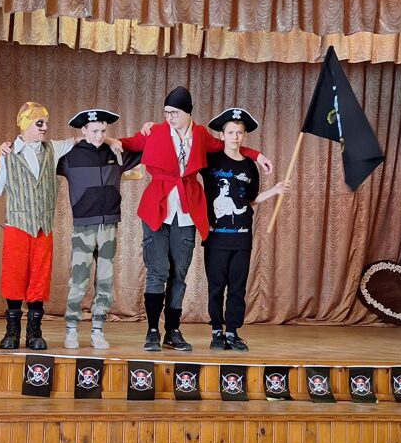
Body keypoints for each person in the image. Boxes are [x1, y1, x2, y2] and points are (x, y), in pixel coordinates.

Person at [119, 86, 273, 352]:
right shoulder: (155, 132)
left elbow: (228, 146)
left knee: (179, 274)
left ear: (187, 112)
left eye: (174, 112)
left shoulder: (201, 135)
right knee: (158, 271)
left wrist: (257, 155)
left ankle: (173, 331)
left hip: (187, 211)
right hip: (156, 209)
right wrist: (108, 141)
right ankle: (153, 330)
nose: (169, 117)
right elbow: (127, 144)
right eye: (166, 112)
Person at [0, 102, 73, 351]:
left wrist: (106, 138)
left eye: (46, 123)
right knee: (14, 277)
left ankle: (35, 333)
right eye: (39, 123)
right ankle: (12, 332)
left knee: (39, 279)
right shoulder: (8, 154)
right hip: (16, 227)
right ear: (25, 124)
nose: (45, 127)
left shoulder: (53, 149)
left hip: (43, 228)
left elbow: (78, 141)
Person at [202, 108, 288, 351]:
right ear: (222, 135)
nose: (235, 137)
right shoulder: (210, 161)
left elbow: (250, 200)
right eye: (230, 132)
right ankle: (216, 331)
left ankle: (232, 332)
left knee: (237, 287)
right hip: (216, 237)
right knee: (216, 286)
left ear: (244, 136)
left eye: (239, 132)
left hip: (241, 238)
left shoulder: (250, 166)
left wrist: (274, 191)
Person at [56, 109, 141, 350]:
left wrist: (116, 141)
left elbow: (146, 148)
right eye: (94, 131)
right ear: (83, 130)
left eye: (104, 131)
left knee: (104, 280)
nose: (99, 136)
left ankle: (97, 330)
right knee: (79, 281)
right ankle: (71, 329)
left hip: (109, 226)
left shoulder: (115, 152)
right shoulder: (69, 156)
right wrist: (9, 148)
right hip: (83, 226)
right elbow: (40, 155)